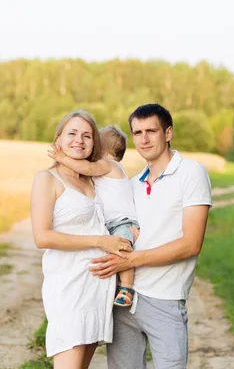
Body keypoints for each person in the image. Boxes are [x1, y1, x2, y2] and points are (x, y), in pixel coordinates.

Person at [89, 103, 212, 368]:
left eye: (151, 131)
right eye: (137, 132)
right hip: (123, 300)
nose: (144, 139)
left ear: (167, 133)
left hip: (165, 301)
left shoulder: (191, 173)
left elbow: (192, 244)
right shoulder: (131, 184)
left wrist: (130, 262)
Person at [30, 110, 133, 369]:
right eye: (72, 133)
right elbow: (42, 237)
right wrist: (100, 241)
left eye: (87, 135)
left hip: (97, 290)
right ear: (59, 140)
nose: (80, 140)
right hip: (70, 288)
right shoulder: (47, 179)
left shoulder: (96, 179)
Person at [47, 124, 140, 307]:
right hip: (108, 224)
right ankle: (114, 288)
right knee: (111, 253)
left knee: (123, 250)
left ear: (102, 149)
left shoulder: (109, 165)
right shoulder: (105, 171)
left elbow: (87, 169)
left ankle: (127, 288)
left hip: (121, 222)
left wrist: (62, 157)